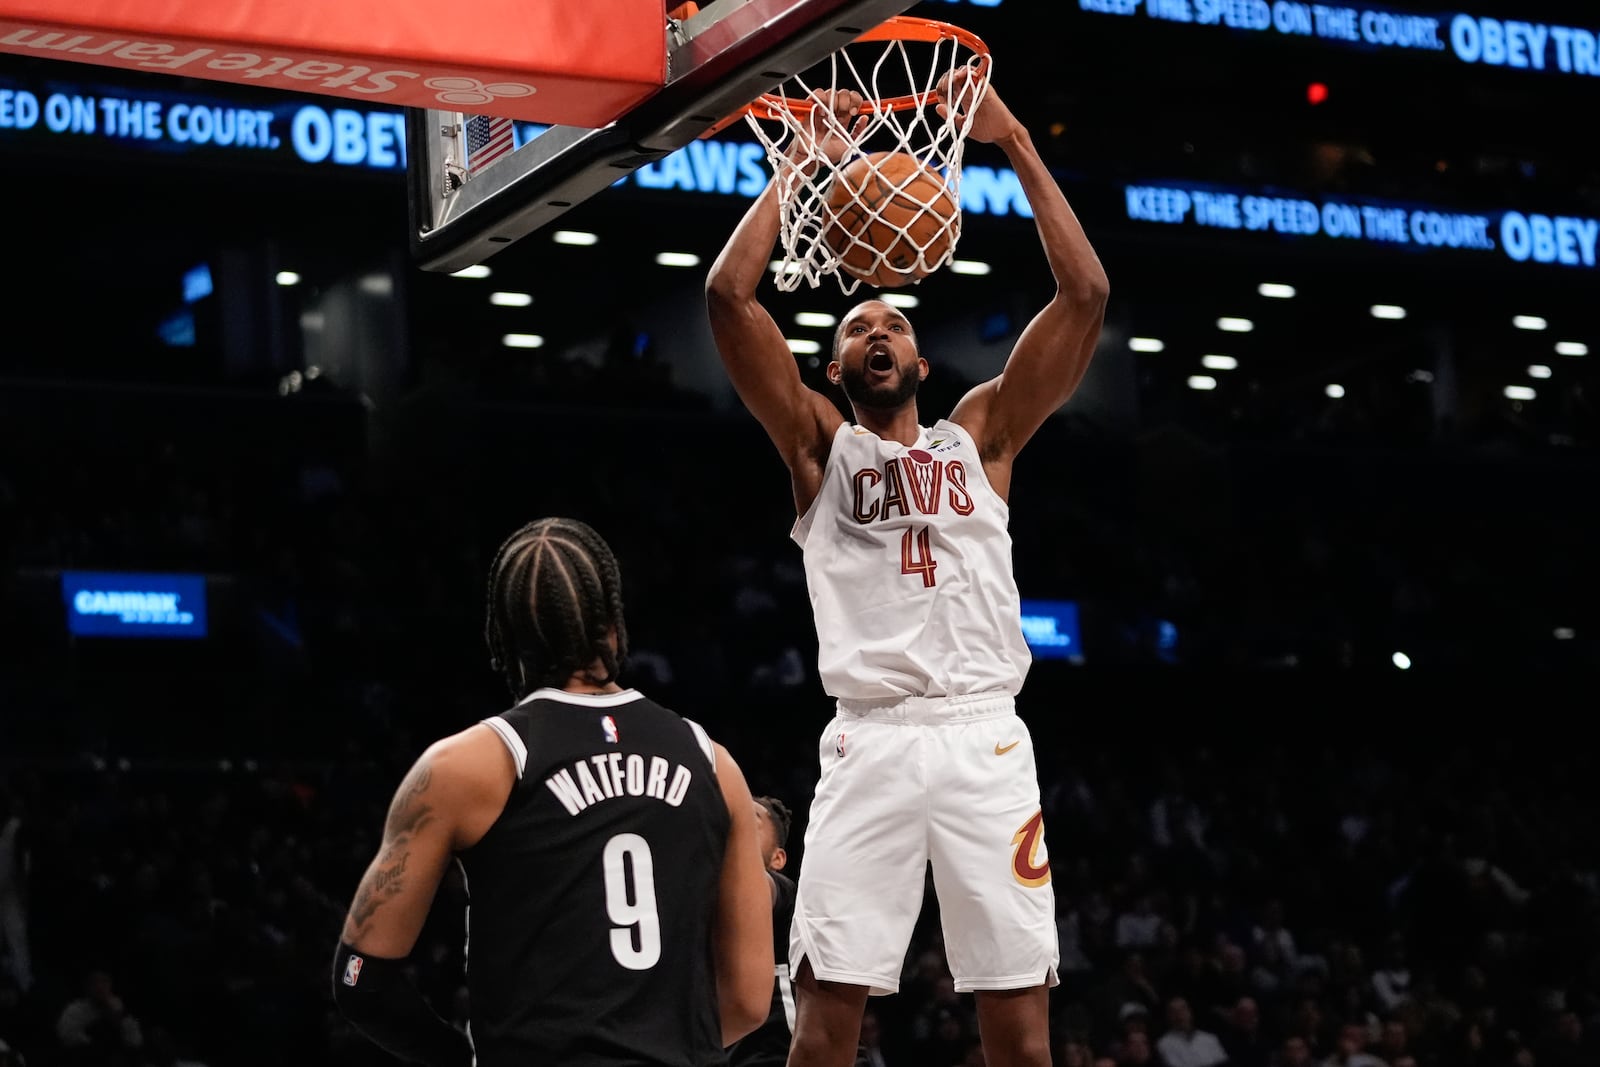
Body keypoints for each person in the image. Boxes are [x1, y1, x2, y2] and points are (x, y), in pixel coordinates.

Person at [704, 65, 1109, 1067]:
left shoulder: (985, 437)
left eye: (895, 325)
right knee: (825, 1025)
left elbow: (1086, 292)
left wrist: (1013, 142)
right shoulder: (817, 449)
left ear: (925, 367)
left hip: (982, 740)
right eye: (856, 328)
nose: (876, 331)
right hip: (871, 739)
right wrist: (799, 162)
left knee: (1019, 1036)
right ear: (835, 369)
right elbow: (726, 295)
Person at [333, 517, 773, 1067]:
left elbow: (361, 980)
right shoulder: (713, 762)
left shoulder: (468, 765)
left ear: (502, 634)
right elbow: (750, 999)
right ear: (612, 620)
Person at [729, 795, 798, 1067]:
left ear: (777, 858)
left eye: (751, 820)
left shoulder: (780, 890)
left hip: (779, 1052)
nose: (737, 824)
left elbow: (755, 885)